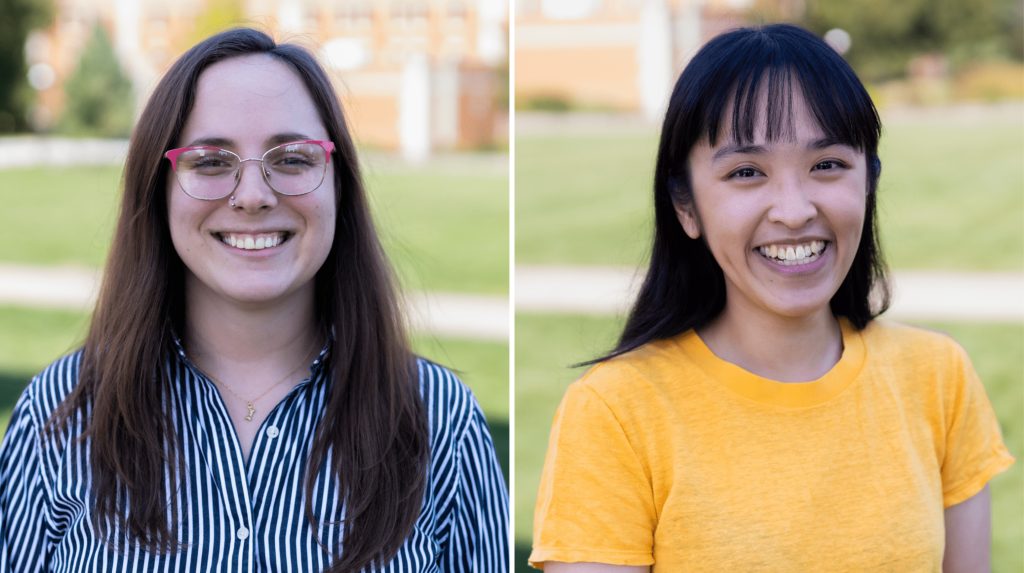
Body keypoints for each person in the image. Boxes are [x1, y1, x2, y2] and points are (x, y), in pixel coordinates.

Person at [0, 28, 508, 572]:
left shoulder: (440, 419)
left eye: (291, 159)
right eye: (211, 162)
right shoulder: (61, 414)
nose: (253, 196)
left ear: (338, 183)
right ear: (160, 189)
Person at [530, 24, 1012, 572]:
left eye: (826, 165)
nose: (793, 209)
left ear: (869, 181)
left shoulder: (939, 378)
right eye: (746, 172)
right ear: (686, 207)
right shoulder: (615, 413)